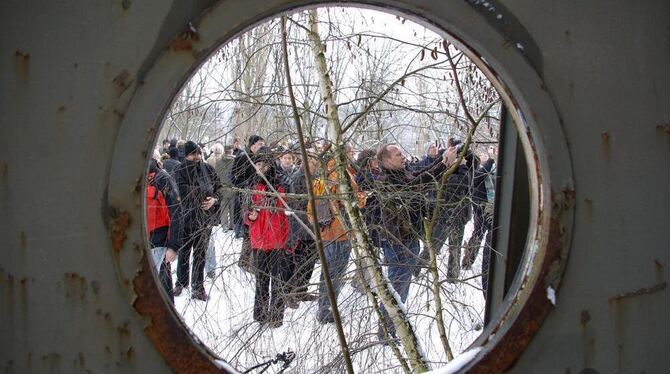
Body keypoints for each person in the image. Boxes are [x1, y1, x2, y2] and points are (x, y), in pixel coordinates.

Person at [375, 143, 457, 338]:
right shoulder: (385, 181)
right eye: (398, 154)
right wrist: (443, 165)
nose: (403, 156)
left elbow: (420, 175)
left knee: (401, 288)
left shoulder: (403, 173)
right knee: (396, 288)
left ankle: (394, 327)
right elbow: (415, 185)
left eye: (402, 153)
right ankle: (387, 332)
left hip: (410, 239)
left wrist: (443, 159)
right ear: (387, 161)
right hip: (398, 243)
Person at [315, 155, 366, 324]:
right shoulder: (344, 176)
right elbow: (360, 201)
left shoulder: (321, 178)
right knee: (336, 273)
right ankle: (328, 309)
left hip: (325, 233)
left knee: (326, 272)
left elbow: (311, 209)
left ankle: (324, 307)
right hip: (342, 233)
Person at [173, 141, 223, 301]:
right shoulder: (179, 170)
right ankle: (181, 282)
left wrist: (213, 200)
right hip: (186, 219)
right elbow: (182, 192)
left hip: (204, 220)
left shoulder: (207, 168)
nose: (197, 157)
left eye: (199, 153)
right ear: (186, 155)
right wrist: (203, 193)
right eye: (193, 154)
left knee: (200, 254)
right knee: (184, 253)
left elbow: (219, 189)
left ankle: (198, 287)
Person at [245, 150, 291, 327]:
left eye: (263, 165)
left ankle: (276, 316)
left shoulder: (280, 185)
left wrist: (288, 239)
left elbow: (287, 213)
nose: (260, 168)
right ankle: (260, 313)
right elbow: (244, 210)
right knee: (261, 280)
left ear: (270, 165)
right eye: (257, 165)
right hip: (259, 239)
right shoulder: (251, 186)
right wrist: (250, 216)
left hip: (278, 240)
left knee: (277, 279)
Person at [285, 149, 320, 308]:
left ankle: (302, 290)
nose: (316, 166)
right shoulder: (298, 178)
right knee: (298, 262)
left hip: (313, 226)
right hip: (300, 226)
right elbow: (296, 204)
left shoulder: (316, 178)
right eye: (313, 163)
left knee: (310, 261)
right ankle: (291, 293)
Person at [146, 159, 181, 304]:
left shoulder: (163, 179)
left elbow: (177, 213)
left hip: (159, 242)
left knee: (162, 288)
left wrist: (173, 246)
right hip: (142, 241)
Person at [231, 135, 266, 271]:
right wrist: (246, 186)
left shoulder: (260, 158)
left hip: (257, 196)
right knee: (248, 229)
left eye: (262, 144)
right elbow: (233, 178)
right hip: (245, 198)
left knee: (254, 228)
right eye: (259, 144)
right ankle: (245, 261)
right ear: (252, 145)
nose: (261, 146)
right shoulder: (243, 157)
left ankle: (247, 260)